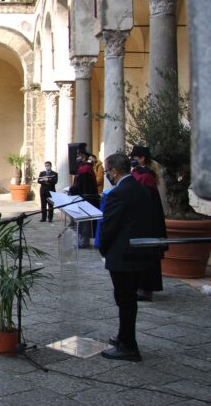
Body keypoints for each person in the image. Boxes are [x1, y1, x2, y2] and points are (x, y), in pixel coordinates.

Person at [99, 153, 164, 362]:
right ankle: (123, 336)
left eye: (107, 171)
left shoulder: (118, 193)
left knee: (124, 300)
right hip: (139, 253)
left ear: (114, 171)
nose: (107, 175)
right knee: (128, 300)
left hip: (122, 255)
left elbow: (109, 226)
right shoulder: (143, 190)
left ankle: (128, 346)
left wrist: (103, 249)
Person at [128, 145, 166, 301]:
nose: (132, 160)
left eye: (134, 157)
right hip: (138, 220)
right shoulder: (138, 174)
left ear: (142, 158)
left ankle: (146, 289)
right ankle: (138, 286)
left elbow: (144, 201)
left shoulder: (146, 177)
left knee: (147, 255)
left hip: (147, 222)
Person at [69, 149, 100, 248]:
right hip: (83, 197)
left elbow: (81, 184)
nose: (77, 158)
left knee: (84, 221)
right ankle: (82, 241)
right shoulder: (83, 168)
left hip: (85, 198)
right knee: (83, 221)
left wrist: (72, 189)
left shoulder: (85, 169)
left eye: (78, 156)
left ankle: (83, 242)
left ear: (83, 157)